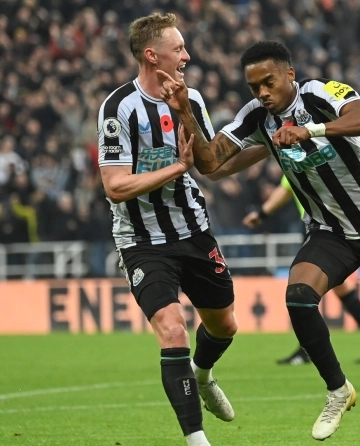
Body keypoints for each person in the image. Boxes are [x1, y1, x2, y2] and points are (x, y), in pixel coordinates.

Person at [158, 40, 360, 440]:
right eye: (253, 87)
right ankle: (338, 389)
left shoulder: (320, 93)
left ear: (290, 74)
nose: (262, 93)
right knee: (299, 297)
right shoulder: (255, 117)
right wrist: (184, 110)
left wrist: (310, 130)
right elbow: (211, 162)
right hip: (330, 230)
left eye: (268, 82)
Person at [97, 13, 241, 446]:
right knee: (173, 328)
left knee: (225, 325)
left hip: (192, 229)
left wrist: (186, 115)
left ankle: (203, 374)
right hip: (141, 240)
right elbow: (115, 187)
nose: (187, 56)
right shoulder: (119, 108)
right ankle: (197, 440)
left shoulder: (191, 98)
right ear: (151, 55)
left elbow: (210, 163)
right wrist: (178, 167)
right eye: (178, 48)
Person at [239, 175, 360, 365]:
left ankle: (311, 349)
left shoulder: (302, 161)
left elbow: (285, 189)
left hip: (328, 227)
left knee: (306, 285)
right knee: (335, 286)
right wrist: (262, 214)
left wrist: (262, 214)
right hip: (323, 225)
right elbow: (286, 188)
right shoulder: (298, 162)